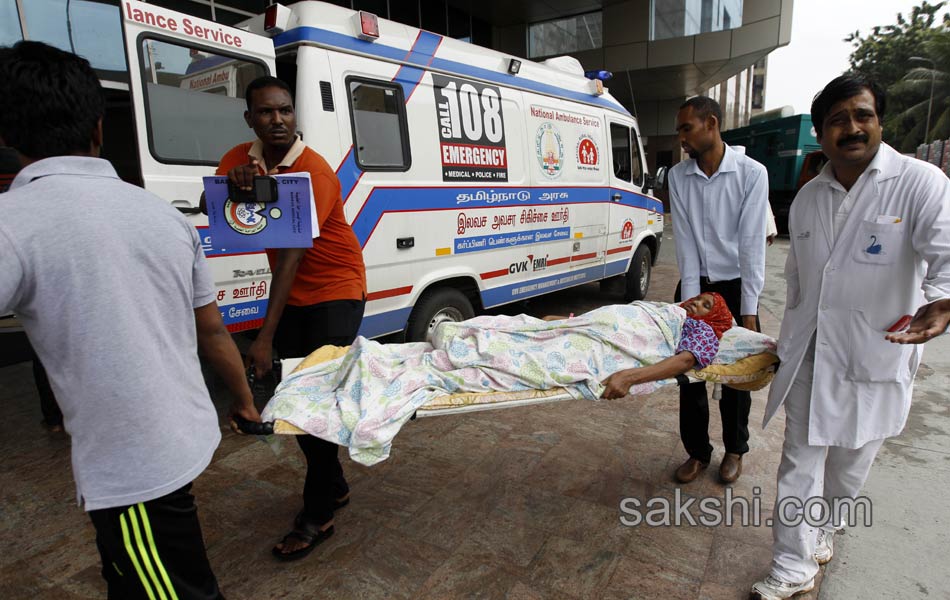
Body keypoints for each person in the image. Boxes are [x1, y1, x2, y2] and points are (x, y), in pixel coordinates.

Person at [0, 42, 260, 600]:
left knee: (172, 585)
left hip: (134, 470)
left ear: (7, 136)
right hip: (181, 434)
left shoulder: (12, 223)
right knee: (130, 574)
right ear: (99, 126)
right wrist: (241, 398)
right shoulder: (160, 215)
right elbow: (211, 329)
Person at [750, 74, 950, 600]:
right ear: (821, 134)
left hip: (876, 351)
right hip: (810, 354)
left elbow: (946, 255)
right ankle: (792, 565)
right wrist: (784, 339)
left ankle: (824, 529)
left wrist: (943, 300)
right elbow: (797, 278)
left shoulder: (919, 182)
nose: (852, 128)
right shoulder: (810, 196)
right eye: (838, 120)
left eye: (862, 115)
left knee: (849, 466)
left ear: (879, 121)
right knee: (799, 461)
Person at [214, 76, 367, 561]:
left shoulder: (314, 173)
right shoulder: (240, 158)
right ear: (249, 119)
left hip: (335, 290)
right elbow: (213, 207)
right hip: (294, 293)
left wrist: (265, 336)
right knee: (300, 397)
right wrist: (236, 187)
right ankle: (336, 486)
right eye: (265, 112)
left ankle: (317, 514)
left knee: (312, 402)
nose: (277, 120)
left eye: (285, 111)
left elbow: (294, 256)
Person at [668, 96, 769, 484]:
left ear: (711, 123)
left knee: (735, 376)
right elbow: (687, 243)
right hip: (697, 285)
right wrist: (690, 302)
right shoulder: (679, 177)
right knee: (690, 372)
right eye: (679, 130)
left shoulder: (750, 173)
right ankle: (697, 451)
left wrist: (747, 315)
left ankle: (735, 449)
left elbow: (751, 246)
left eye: (686, 128)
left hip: (737, 284)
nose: (681, 138)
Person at [546, 293, 736, 399]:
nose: (696, 302)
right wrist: (568, 322)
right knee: (542, 326)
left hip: (604, 341)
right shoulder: (668, 310)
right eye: (697, 298)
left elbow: (685, 360)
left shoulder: (703, 330)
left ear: (714, 317)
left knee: (548, 356)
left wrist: (628, 377)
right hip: (592, 327)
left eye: (706, 305)